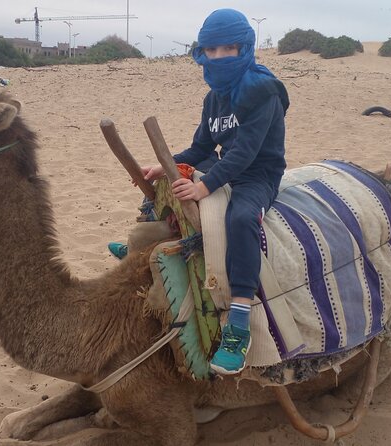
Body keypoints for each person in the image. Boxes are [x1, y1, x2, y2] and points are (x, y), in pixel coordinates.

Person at [139, 8, 290, 375]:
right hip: (227, 168)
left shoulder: (262, 90)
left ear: (245, 48)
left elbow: (245, 153)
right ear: (202, 52)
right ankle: (144, 242)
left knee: (239, 218)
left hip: (258, 174)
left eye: (229, 49)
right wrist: (167, 165)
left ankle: (238, 324)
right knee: (168, 184)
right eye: (212, 50)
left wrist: (205, 185)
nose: (219, 57)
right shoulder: (214, 98)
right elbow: (202, 147)